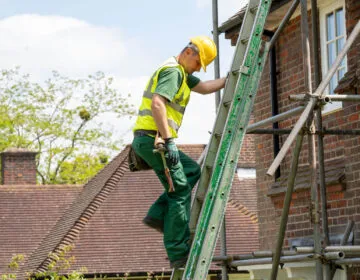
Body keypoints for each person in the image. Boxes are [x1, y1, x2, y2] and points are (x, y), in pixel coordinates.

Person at [131, 35, 226, 268]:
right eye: (197, 64)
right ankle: (178, 254)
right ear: (188, 53)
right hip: (155, 141)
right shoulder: (174, 72)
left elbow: (204, 88)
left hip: (151, 141)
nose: (197, 70)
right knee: (180, 190)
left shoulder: (183, 75)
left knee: (192, 170)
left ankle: (157, 214)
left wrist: (230, 79)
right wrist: (169, 140)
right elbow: (157, 104)